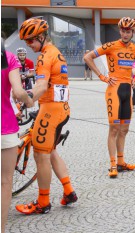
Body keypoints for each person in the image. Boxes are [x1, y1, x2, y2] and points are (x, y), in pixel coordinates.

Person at [15, 16, 78, 215]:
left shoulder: (44, 56)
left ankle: (43, 203)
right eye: (26, 42)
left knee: (40, 155)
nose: (29, 45)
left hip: (50, 111)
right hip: (61, 110)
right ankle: (69, 191)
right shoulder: (55, 52)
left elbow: (41, 86)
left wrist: (24, 98)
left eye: (31, 40)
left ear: (42, 37)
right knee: (50, 152)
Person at [84, 17, 135, 178]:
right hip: (113, 91)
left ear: (133, 32)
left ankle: (121, 162)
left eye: (128, 31)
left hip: (127, 92)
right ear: (120, 31)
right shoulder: (111, 46)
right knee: (114, 129)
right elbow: (87, 57)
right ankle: (112, 164)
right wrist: (102, 76)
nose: (125, 34)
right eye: (123, 31)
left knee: (124, 130)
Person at [2, 49, 34, 231]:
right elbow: (18, 91)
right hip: (4, 125)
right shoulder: (6, 56)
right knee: (5, 181)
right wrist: (29, 102)